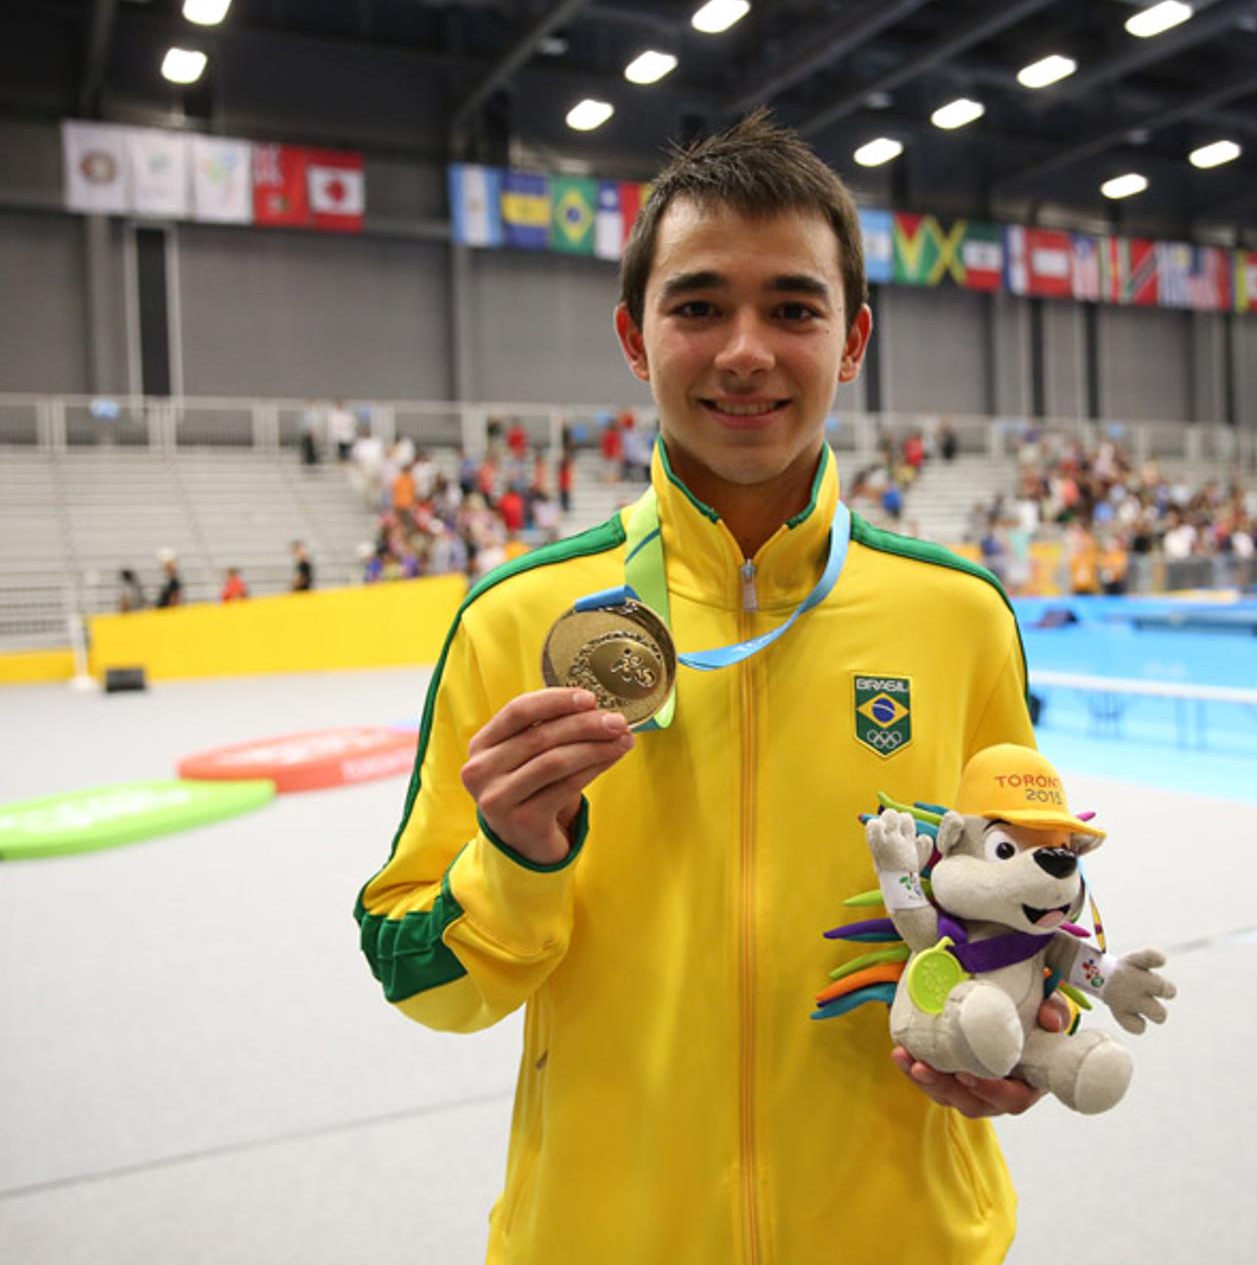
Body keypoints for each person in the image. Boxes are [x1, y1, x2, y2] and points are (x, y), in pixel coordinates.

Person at [355, 112, 1060, 1264]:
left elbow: (1037, 884)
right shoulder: (518, 618)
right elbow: (419, 975)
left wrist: (1037, 1024)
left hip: (906, 1235)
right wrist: (518, 858)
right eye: (697, 306)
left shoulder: (957, 613)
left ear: (852, 340)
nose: (745, 349)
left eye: (792, 307)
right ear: (636, 337)